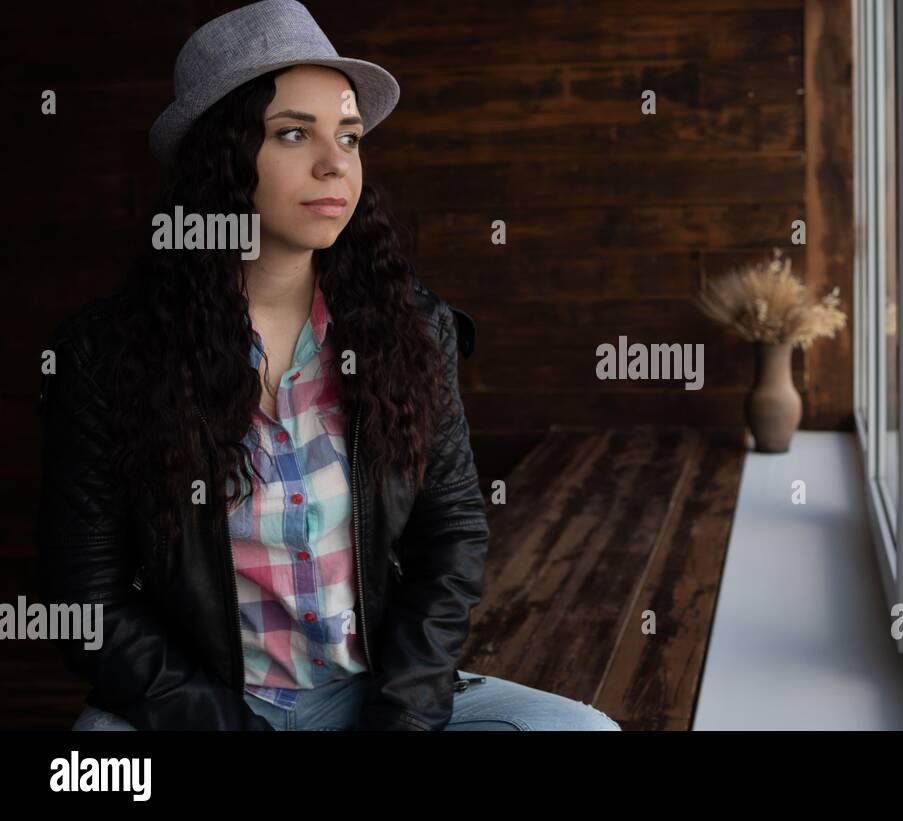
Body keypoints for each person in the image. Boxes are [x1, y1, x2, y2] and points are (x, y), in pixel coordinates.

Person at [35, 0, 619, 732]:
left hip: (369, 692)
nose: (334, 161)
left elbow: (454, 534)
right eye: (292, 134)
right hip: (197, 704)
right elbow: (85, 598)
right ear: (220, 157)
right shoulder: (108, 353)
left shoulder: (409, 327)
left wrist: (402, 716)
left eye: (348, 135)